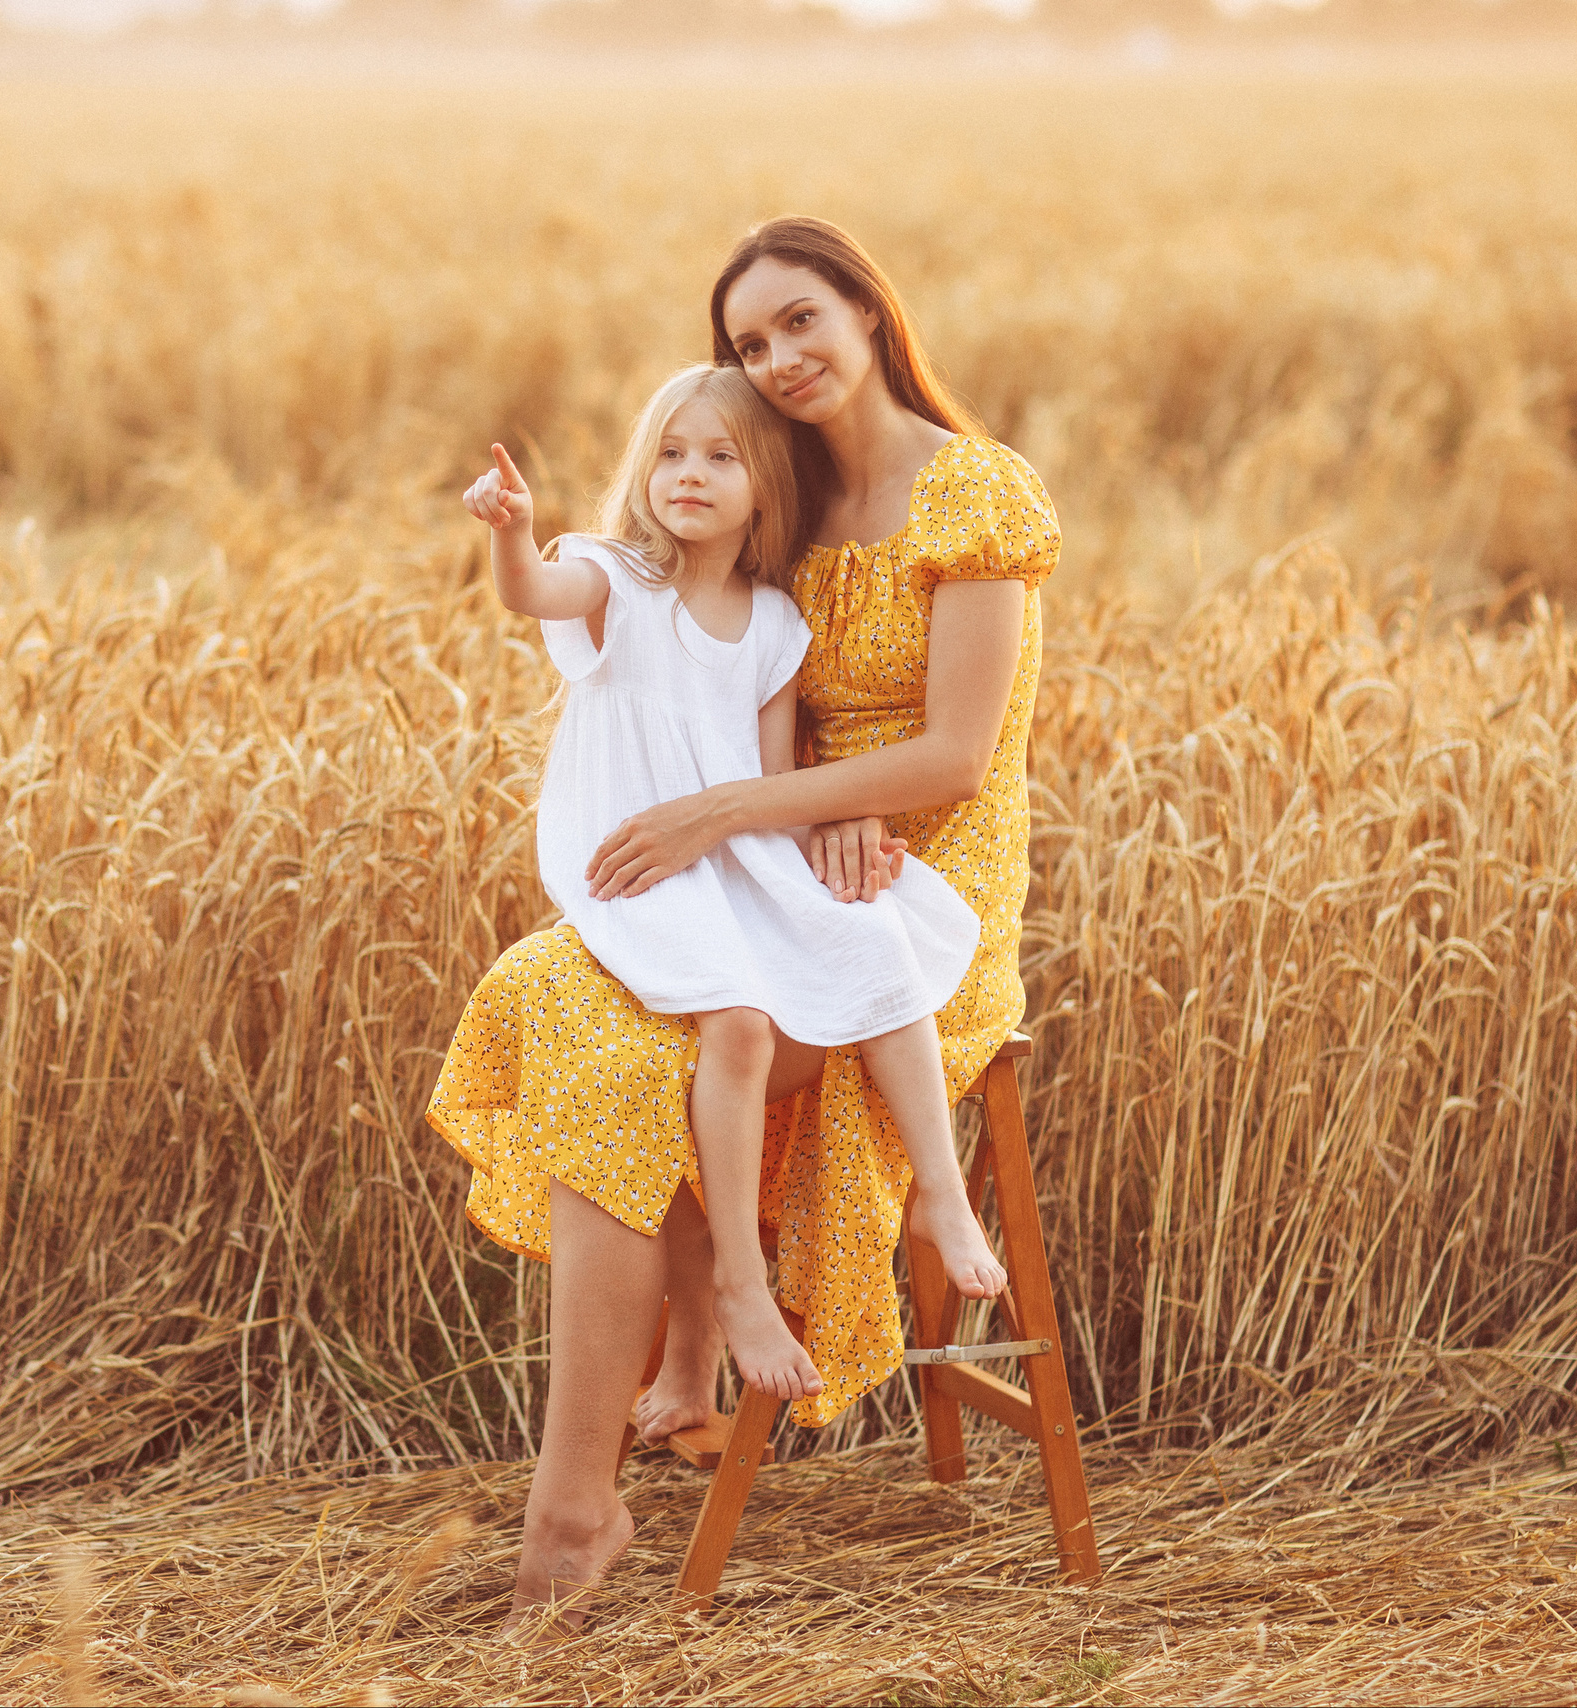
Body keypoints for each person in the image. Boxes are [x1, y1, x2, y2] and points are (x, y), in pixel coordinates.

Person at [430, 217, 1058, 1631]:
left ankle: (625, 1442)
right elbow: (671, 653)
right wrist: (773, 812)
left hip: (912, 878)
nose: (776, 360)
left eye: (798, 323)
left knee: (658, 1052)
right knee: (580, 1025)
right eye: (749, 343)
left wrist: (748, 812)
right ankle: (592, 1477)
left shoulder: (975, 497)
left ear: (868, 311)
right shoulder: (772, 501)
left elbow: (954, 758)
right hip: (769, 852)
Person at [458, 362, 997, 1412]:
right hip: (633, 861)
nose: (689, 475)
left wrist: (845, 840)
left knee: (876, 939)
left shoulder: (773, 627)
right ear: (641, 471)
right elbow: (531, 593)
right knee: (742, 1027)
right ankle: (741, 1291)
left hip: (731, 851)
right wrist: (510, 531)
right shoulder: (611, 576)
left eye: (720, 457)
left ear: (766, 491)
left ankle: (938, 1192)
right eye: (669, 453)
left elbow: (767, 782)